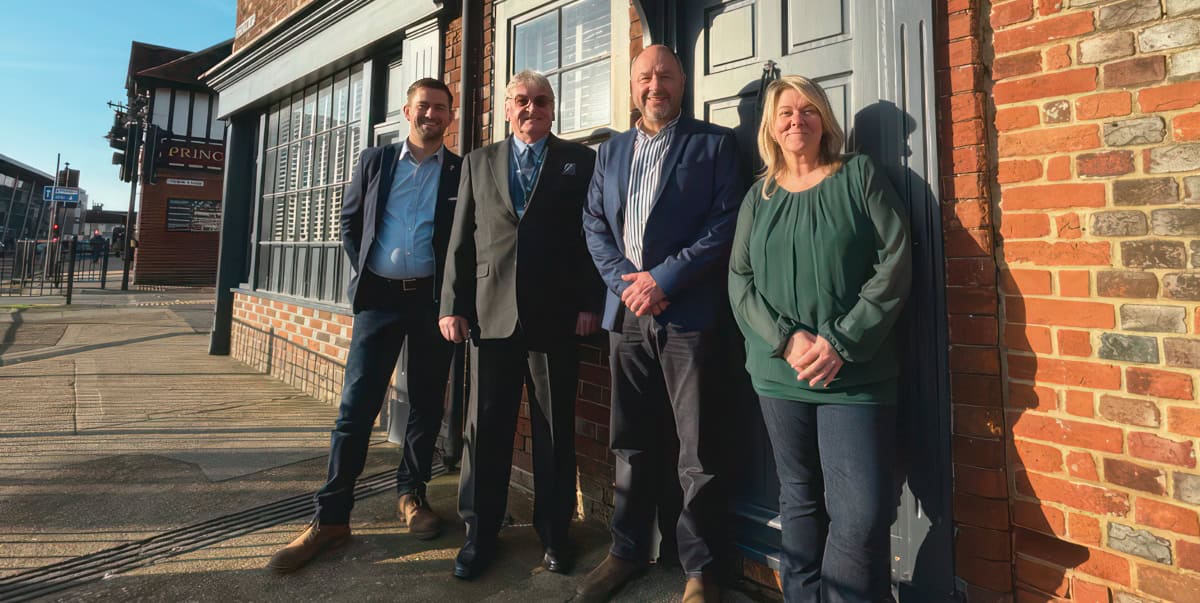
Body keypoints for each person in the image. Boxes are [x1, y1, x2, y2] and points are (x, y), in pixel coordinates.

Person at [728, 75, 911, 602]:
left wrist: (840, 341)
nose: (796, 120)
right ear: (771, 126)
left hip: (855, 374)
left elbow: (895, 260)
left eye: (808, 110)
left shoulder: (859, 175)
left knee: (860, 512)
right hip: (779, 376)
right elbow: (739, 281)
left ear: (825, 120)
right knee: (800, 499)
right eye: (785, 112)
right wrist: (786, 342)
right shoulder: (757, 196)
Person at [267, 78, 461, 573]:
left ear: (450, 115)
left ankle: (411, 495)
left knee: (424, 403)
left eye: (441, 108)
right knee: (355, 410)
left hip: (432, 305)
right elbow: (350, 221)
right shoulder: (375, 161)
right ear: (407, 110)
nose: (431, 115)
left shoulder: (461, 171)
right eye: (424, 106)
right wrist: (369, 273)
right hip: (379, 302)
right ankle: (331, 518)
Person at [578, 45, 743, 603]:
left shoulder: (714, 145)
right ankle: (626, 550)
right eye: (645, 77)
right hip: (625, 317)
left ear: (682, 81)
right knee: (630, 441)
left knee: (698, 449)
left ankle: (701, 569)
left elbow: (725, 224)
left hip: (688, 316)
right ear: (632, 86)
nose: (656, 86)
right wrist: (631, 283)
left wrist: (663, 280)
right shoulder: (610, 152)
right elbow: (594, 224)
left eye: (666, 76)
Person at [439, 70, 603, 580]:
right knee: (485, 430)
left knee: (555, 433)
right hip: (489, 318)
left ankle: (555, 535)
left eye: (541, 101)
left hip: (556, 318)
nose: (531, 108)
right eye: (521, 101)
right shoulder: (478, 162)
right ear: (506, 109)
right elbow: (461, 239)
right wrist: (452, 304)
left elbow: (590, 238)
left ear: (554, 109)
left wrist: (589, 302)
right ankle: (479, 535)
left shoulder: (581, 161)